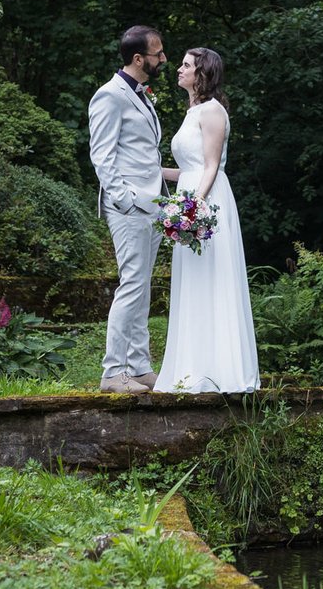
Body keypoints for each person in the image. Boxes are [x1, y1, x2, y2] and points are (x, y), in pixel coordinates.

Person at [154, 47, 260, 393]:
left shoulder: (213, 111)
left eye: (186, 65)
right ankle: (191, 368)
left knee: (213, 278)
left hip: (207, 204)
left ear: (202, 73)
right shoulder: (193, 111)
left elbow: (212, 166)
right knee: (193, 283)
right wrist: (149, 173)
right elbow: (187, 169)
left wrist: (193, 208)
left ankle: (222, 371)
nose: (179, 70)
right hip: (189, 198)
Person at [87, 25, 168, 394]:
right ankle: (112, 371)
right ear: (139, 59)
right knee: (132, 284)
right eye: (158, 54)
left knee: (142, 287)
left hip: (151, 204)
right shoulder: (109, 96)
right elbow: (101, 155)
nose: (163, 59)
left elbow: (143, 156)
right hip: (130, 206)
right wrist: (127, 200)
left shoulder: (143, 96)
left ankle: (138, 366)